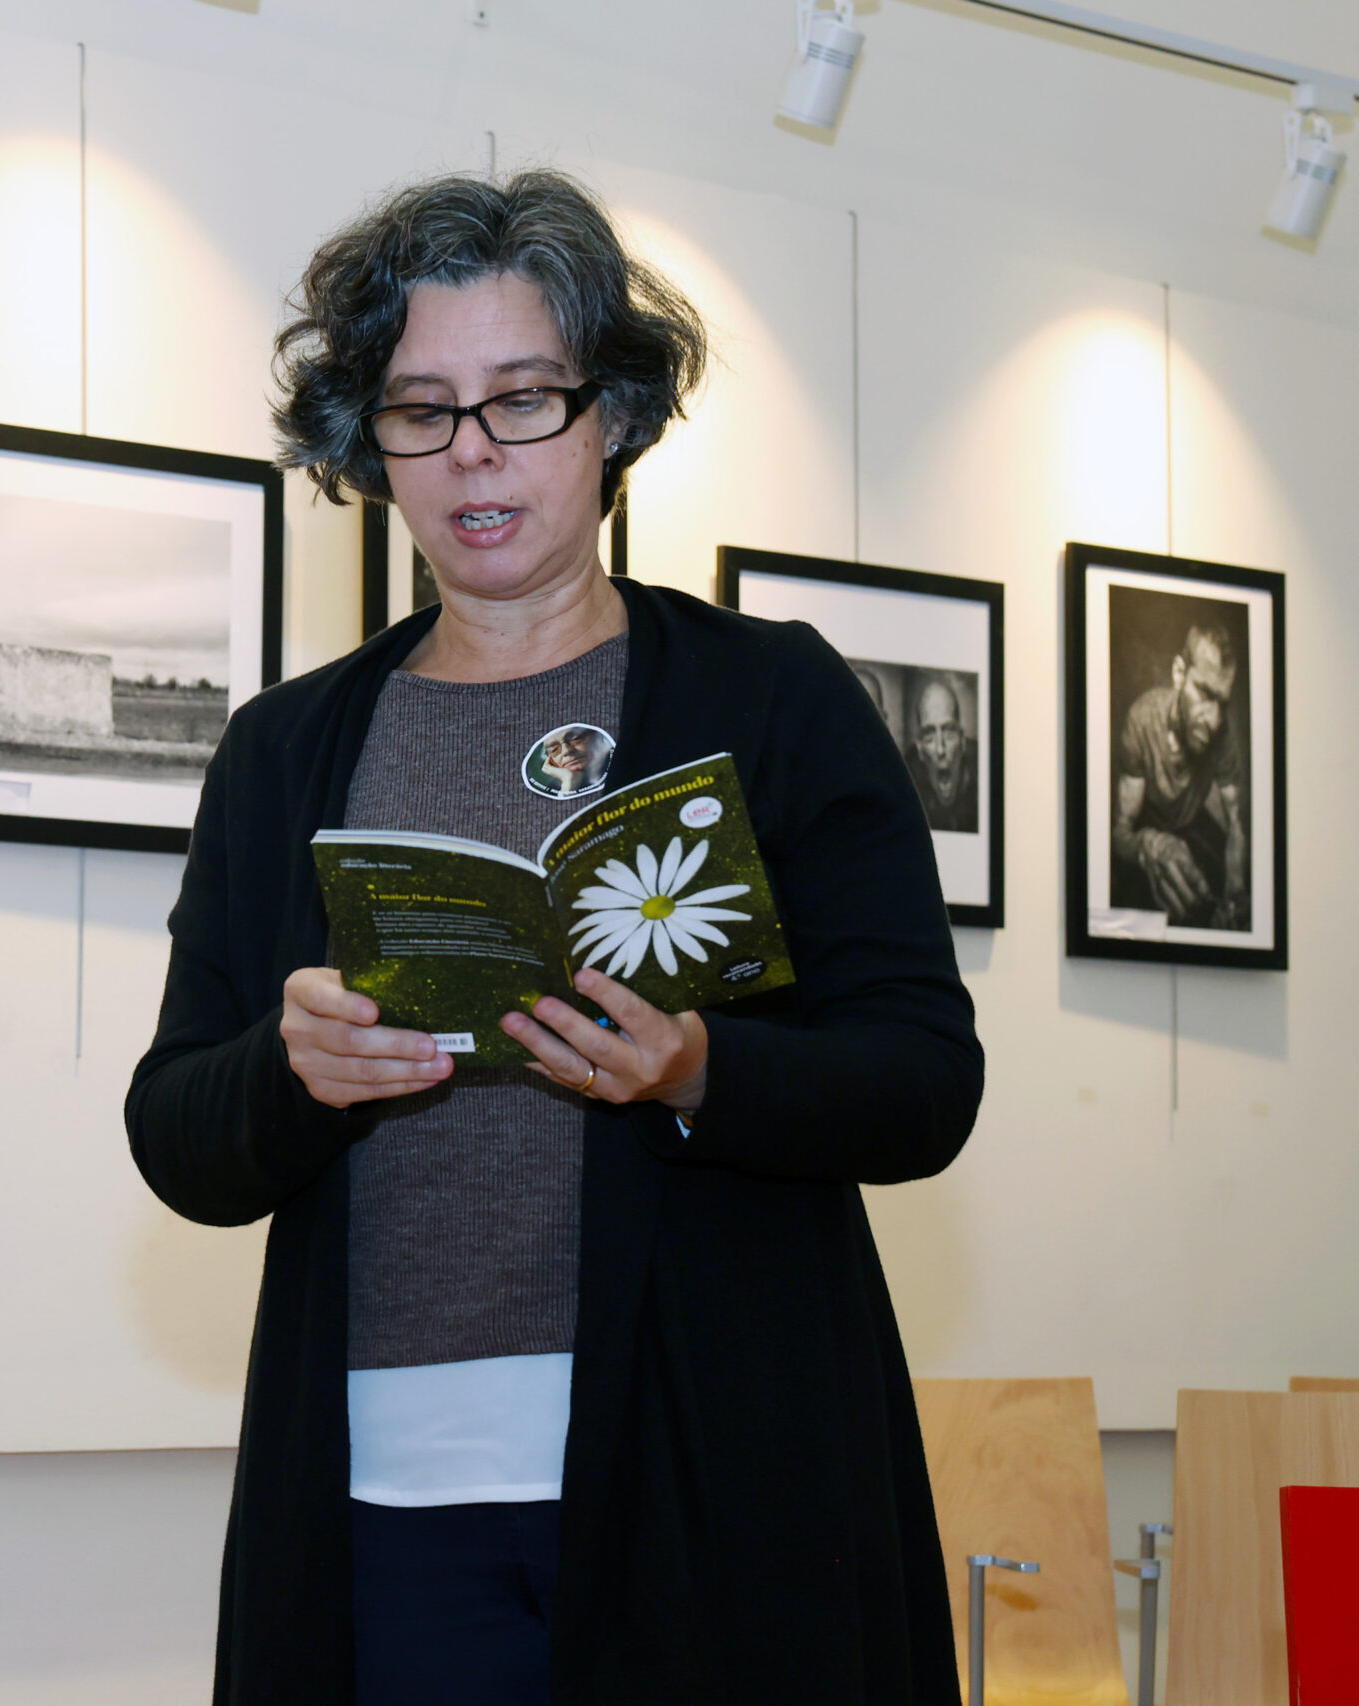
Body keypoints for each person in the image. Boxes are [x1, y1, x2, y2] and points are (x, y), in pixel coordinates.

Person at [125, 171, 981, 1704]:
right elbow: (179, 1133)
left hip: (719, 1465)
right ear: (364, 445)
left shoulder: (771, 697)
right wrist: (288, 1068)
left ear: (615, 416)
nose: (471, 453)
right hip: (387, 1490)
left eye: (522, 399)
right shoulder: (284, 747)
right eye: (420, 407)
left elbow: (923, 1078)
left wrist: (699, 1068)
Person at [1110, 623, 1246, 928]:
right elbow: (1120, 833)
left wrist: (1235, 899)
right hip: (1147, 826)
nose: (1214, 720)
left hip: (1189, 827)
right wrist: (1150, 846)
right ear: (1179, 673)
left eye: (1222, 703)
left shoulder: (1222, 737)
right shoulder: (1143, 719)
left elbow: (1237, 826)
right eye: (1205, 694)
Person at [907, 673, 978, 832]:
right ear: (919, 749)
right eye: (930, 737)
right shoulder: (905, 782)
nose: (940, 749)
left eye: (949, 733)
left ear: (962, 741)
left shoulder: (983, 775)